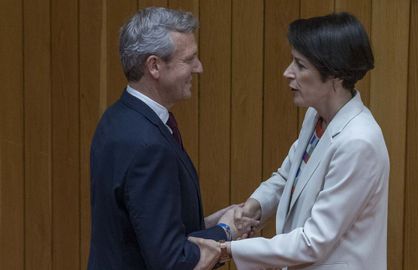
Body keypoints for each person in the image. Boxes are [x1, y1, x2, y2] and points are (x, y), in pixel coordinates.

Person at [88, 7, 256, 270]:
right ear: (154, 66)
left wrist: (212, 223)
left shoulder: (117, 118)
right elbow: (172, 260)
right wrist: (226, 233)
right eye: (189, 59)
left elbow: (145, 228)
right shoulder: (147, 145)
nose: (198, 68)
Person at [223, 12, 390, 270]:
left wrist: (229, 248)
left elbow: (314, 241)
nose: (287, 73)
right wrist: (253, 208)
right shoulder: (317, 116)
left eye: (300, 66)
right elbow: (288, 178)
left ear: (335, 75)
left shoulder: (359, 143)